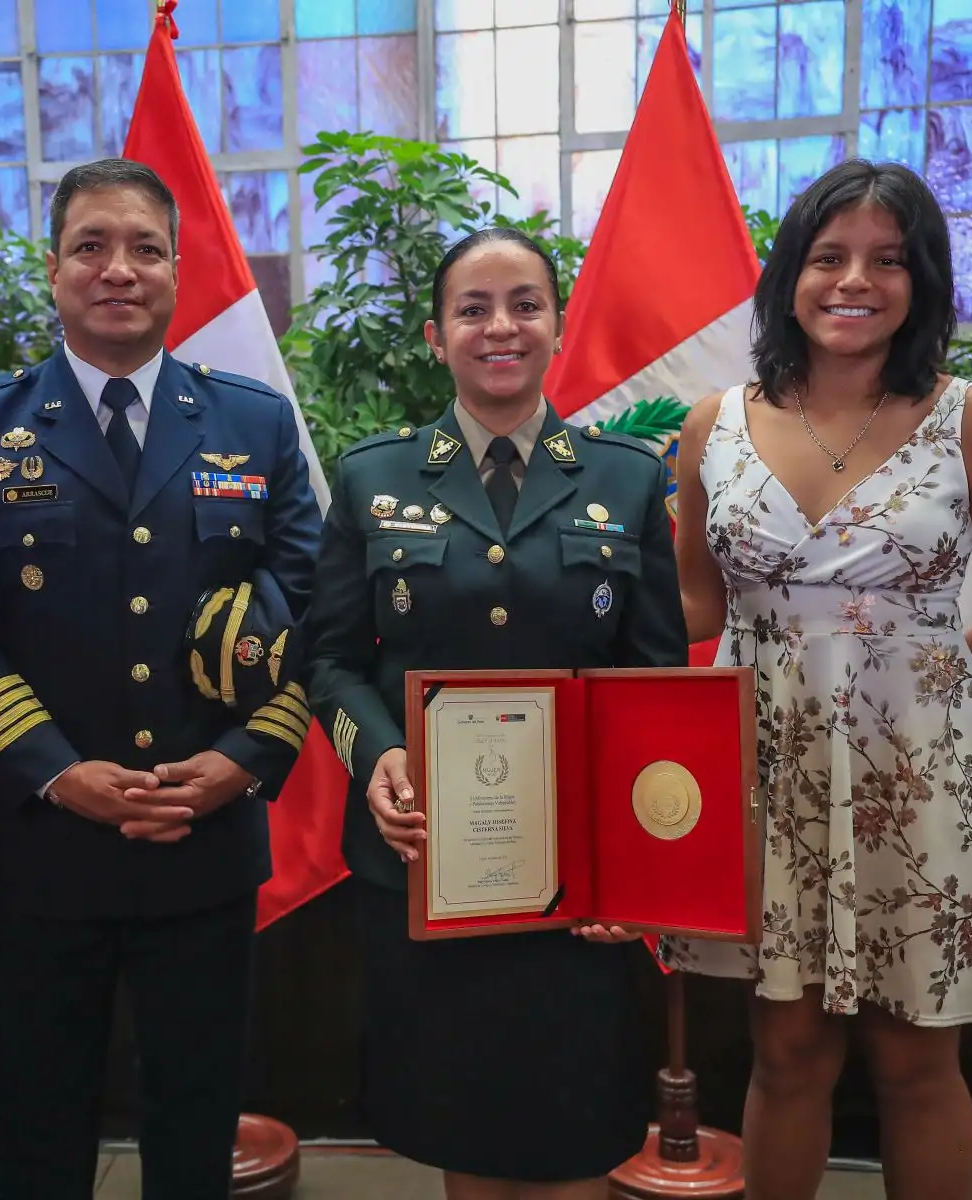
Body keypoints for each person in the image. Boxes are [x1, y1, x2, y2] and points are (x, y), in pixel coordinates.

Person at [659, 159, 972, 1200]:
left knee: (915, 1061)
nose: (855, 280)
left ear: (923, 282)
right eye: (828, 256)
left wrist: (927, 686)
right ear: (789, 280)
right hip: (768, 777)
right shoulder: (711, 426)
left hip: (923, 780)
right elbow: (695, 614)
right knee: (787, 1054)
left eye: (888, 260)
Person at [0, 157, 322, 1200]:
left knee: (196, 1122)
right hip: (44, 842)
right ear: (54, 270)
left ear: (178, 270)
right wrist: (59, 773)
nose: (117, 269)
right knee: (40, 1122)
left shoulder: (253, 423)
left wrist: (240, 764)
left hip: (206, 838)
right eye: (91, 246)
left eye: (143, 247)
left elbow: (316, 610)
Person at [303, 227, 688, 1199]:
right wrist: (377, 752)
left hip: (578, 877)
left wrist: (632, 871)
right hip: (435, 861)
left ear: (557, 324)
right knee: (465, 1130)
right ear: (437, 336)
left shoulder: (628, 478)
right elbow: (333, 660)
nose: (499, 326)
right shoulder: (373, 477)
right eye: (473, 309)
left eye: (524, 303)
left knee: (577, 1132)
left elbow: (652, 686)